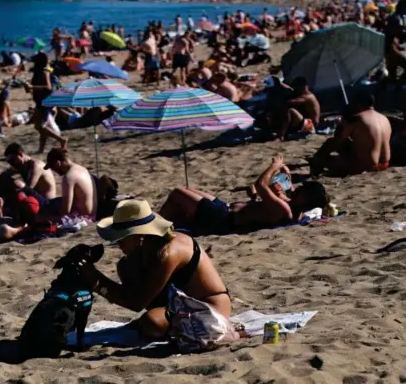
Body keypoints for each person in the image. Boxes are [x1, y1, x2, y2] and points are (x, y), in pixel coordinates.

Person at [75, 199, 230, 339]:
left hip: (210, 308)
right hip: (179, 303)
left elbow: (136, 303)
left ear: (139, 236)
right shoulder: (147, 248)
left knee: (152, 322)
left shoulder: (168, 253)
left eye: (121, 238)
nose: (118, 244)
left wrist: (97, 281)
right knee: (126, 267)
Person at [159, 156, 330, 235]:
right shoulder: (290, 205)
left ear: (306, 199)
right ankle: (170, 222)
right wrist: (284, 174)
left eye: (303, 190)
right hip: (225, 208)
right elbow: (279, 188)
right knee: (186, 193)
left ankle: (156, 227)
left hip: (223, 218)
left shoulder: (284, 209)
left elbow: (261, 185)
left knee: (178, 193)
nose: (298, 188)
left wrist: (274, 166)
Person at [311, 94, 391, 176]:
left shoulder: (358, 118)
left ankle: (315, 171)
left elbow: (338, 139)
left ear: (358, 105)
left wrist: (341, 124)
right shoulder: (384, 117)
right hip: (384, 163)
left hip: (367, 165)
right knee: (348, 144)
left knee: (324, 153)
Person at [24, 52, 67, 153]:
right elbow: (34, 88)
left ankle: (62, 140)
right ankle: (41, 149)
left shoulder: (44, 72)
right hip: (40, 101)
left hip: (45, 101)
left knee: (39, 126)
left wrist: (31, 87)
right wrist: (28, 86)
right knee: (40, 126)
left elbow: (48, 87)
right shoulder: (38, 72)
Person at [43, 147, 97, 218]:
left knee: (43, 213)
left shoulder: (69, 177)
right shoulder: (82, 169)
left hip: (81, 218)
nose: (54, 171)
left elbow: (66, 211)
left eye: (53, 167)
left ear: (58, 163)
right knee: (53, 202)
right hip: (93, 215)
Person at [384, 0, 406, 83]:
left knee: (392, 77)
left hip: (398, 49)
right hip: (393, 50)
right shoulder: (395, 18)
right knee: (392, 77)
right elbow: (397, 32)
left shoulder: (402, 18)